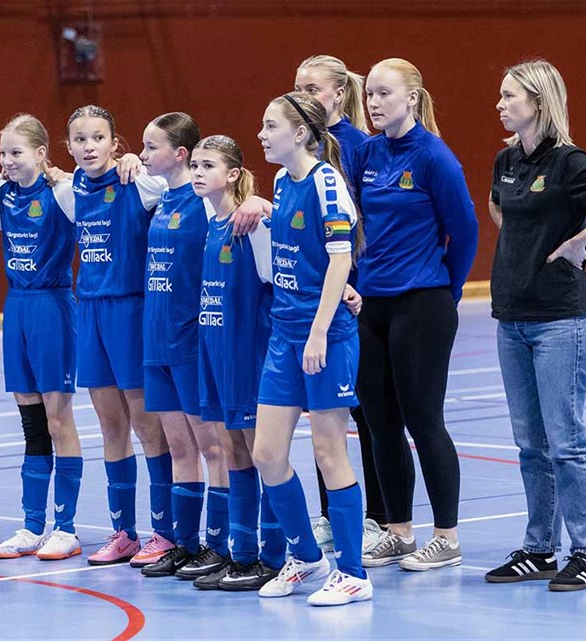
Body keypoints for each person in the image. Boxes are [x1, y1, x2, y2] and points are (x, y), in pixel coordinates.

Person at [483, 59, 586, 591]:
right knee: (530, 443)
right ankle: (539, 549)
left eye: (509, 96)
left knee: (565, 441)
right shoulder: (506, 159)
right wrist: (523, 245)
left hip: (561, 322)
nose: (500, 104)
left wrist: (577, 242)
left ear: (538, 102)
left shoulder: (569, 162)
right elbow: (498, 206)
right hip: (512, 318)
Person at [354, 58, 478, 571]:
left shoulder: (433, 157)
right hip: (372, 305)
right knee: (380, 423)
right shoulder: (367, 153)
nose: (374, 103)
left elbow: (465, 230)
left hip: (422, 303)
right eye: (370, 94)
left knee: (424, 421)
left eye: (384, 94)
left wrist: (446, 290)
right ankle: (398, 531)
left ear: (412, 97)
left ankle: (446, 536)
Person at [252, 93, 372, 606]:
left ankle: (353, 574)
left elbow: (340, 259)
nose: (261, 134)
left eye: (270, 125)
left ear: (300, 133)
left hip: (326, 336)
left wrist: (320, 331)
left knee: (328, 452)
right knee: (266, 454)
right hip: (284, 334)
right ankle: (305, 557)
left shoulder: (328, 183)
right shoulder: (282, 182)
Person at [66, 105, 174, 567]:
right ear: (69, 146)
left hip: (131, 310)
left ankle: (166, 531)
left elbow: (187, 186)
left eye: (98, 138)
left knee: (148, 426)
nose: (89, 147)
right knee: (111, 426)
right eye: (80, 139)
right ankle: (124, 531)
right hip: (90, 311)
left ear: (115, 143)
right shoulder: (71, 185)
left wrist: (140, 163)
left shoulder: (140, 181)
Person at [294, 54, 389, 553]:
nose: (303, 96)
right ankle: (332, 513)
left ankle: (378, 516)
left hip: (355, 297)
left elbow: (371, 223)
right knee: (323, 411)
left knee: (367, 414)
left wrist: (359, 282)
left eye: (312, 88)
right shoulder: (298, 151)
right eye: (297, 88)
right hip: (315, 297)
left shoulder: (359, 147)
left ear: (338, 93)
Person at [0, 114, 84, 561]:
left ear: (42, 153)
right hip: (17, 308)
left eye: (17, 152)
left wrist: (129, 163)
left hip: (52, 306)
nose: (7, 161)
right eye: (3, 152)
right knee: (31, 424)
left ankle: (66, 527)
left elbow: (104, 190)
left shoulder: (62, 192)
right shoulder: (0, 193)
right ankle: (30, 525)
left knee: (59, 421)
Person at [187, 134, 288, 591]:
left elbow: (283, 278)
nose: (197, 172)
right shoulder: (212, 223)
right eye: (194, 164)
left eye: (208, 165)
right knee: (234, 453)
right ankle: (242, 553)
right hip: (216, 352)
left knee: (263, 456)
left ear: (232, 174)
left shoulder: (253, 225)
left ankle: (274, 555)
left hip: (249, 355)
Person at [136, 113, 231, 579]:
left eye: (151, 147)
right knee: (179, 448)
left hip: (192, 341)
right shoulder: (161, 198)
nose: (142, 155)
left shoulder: (205, 203)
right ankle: (186, 543)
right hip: (157, 340)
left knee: (212, 447)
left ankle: (221, 543)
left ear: (179, 153)